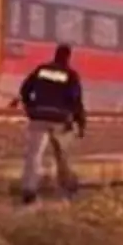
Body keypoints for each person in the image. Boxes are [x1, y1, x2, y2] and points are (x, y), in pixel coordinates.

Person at [17, 43, 86, 204]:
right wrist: (80, 123)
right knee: (62, 156)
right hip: (59, 120)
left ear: (55, 54)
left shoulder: (41, 70)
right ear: (68, 57)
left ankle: (29, 189)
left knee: (34, 155)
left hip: (38, 117)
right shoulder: (70, 75)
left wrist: (31, 107)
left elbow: (25, 89)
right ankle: (66, 188)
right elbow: (76, 102)